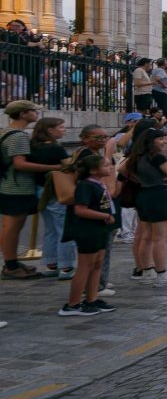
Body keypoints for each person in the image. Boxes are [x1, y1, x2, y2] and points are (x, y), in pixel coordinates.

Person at [1, 101, 64, 279]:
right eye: (33, 111)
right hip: (17, 186)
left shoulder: (6, 132)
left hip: (9, 184)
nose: (37, 114)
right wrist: (54, 167)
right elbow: (19, 164)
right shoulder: (18, 136)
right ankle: (11, 266)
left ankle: (11, 262)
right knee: (13, 226)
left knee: (9, 226)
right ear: (23, 114)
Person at [57, 155, 120, 317]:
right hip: (88, 229)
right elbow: (80, 209)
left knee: (97, 264)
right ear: (93, 170)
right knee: (85, 266)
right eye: (106, 166)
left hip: (100, 229)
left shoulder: (98, 184)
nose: (110, 168)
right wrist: (104, 216)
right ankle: (73, 303)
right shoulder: (85, 186)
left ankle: (92, 299)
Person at [127, 128, 167, 283]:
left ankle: (146, 271)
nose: (164, 141)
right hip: (158, 194)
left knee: (146, 236)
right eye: (160, 139)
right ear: (151, 141)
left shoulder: (136, 157)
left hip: (143, 194)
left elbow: (122, 170)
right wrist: (162, 180)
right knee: (160, 238)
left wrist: (140, 179)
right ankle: (161, 273)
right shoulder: (157, 157)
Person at [30, 118, 72, 279]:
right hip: (56, 190)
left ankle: (51, 263)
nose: (64, 130)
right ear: (50, 130)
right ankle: (67, 266)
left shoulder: (32, 147)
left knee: (50, 229)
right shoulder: (55, 149)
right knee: (63, 228)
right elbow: (69, 167)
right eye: (61, 127)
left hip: (40, 189)